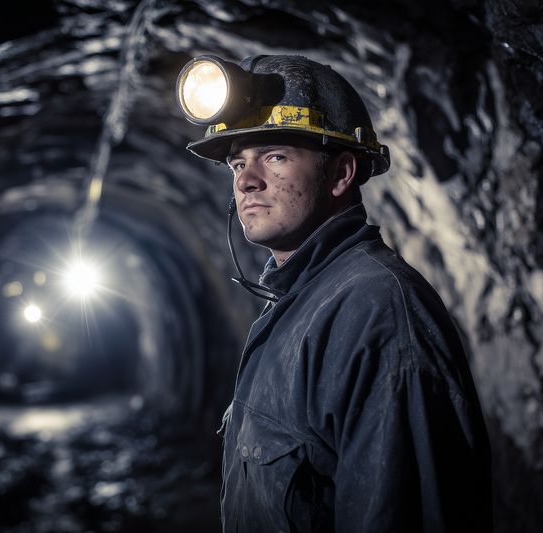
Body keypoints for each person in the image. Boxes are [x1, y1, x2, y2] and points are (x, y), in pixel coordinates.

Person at [177, 55, 493, 532]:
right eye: (238, 163)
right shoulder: (297, 303)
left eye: (275, 156)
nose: (245, 180)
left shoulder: (377, 312)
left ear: (342, 174)